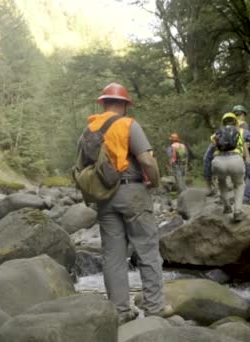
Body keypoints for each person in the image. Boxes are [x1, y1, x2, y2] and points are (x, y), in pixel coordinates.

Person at [80, 82, 164, 324]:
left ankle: (120, 311)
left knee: (113, 257)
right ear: (125, 105)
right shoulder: (128, 124)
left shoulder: (89, 130)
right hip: (133, 192)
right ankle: (155, 311)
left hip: (105, 197)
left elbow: (83, 166)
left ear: (103, 103)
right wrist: (155, 182)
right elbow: (147, 161)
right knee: (147, 252)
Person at [203, 113, 250, 222]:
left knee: (221, 182)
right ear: (235, 122)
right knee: (239, 184)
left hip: (218, 162)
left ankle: (226, 206)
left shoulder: (216, 135)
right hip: (236, 161)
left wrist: (208, 178)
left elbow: (206, 157)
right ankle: (238, 211)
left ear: (223, 123)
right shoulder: (241, 131)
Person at [232, 105, 250, 204]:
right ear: (242, 114)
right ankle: (244, 199)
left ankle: (236, 201)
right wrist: (247, 156)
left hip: (230, 157)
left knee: (241, 180)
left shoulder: (229, 126)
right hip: (242, 155)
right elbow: (244, 141)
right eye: (244, 114)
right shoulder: (243, 124)